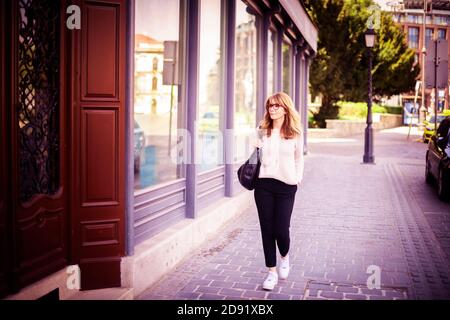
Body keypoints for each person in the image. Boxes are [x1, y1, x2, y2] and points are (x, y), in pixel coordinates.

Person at [252, 92, 304, 291]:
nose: (272, 109)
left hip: (286, 186)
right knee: (267, 230)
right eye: (269, 106)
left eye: (276, 106)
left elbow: (299, 158)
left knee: (281, 230)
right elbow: (253, 155)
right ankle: (271, 272)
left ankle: (284, 256)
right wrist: (255, 145)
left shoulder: (294, 132)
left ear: (285, 108)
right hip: (263, 185)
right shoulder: (261, 130)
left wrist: (297, 178)